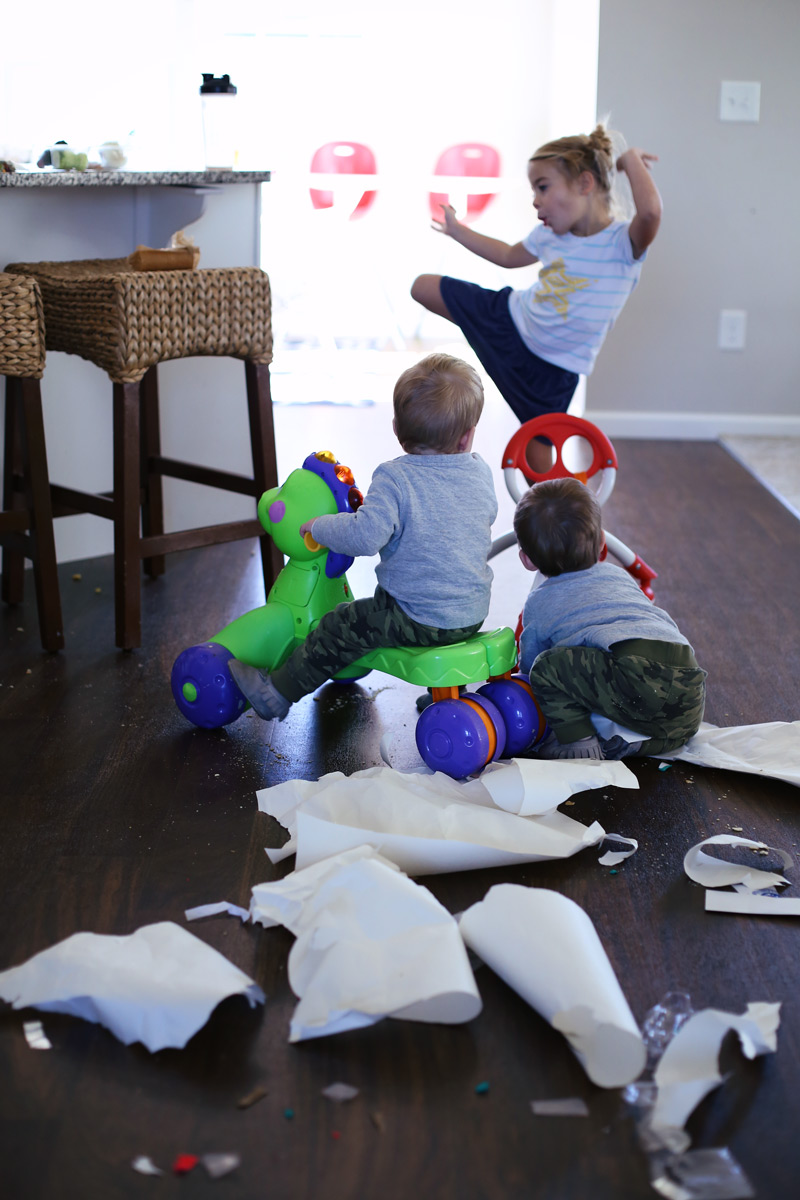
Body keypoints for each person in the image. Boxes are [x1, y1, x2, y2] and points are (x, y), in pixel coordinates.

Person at [229, 353, 498, 720]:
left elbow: (365, 536)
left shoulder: (395, 478)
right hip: (471, 613)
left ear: (396, 429)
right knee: (442, 582)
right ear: (467, 438)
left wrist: (321, 526)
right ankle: (448, 697)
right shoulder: (479, 472)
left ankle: (277, 692)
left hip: (414, 617)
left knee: (339, 624)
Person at [410, 125, 662, 473]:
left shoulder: (623, 244)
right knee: (422, 287)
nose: (535, 200)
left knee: (537, 468)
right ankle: (488, 349)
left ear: (585, 184)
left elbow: (649, 214)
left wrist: (631, 160)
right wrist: (458, 231)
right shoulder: (549, 236)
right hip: (509, 323)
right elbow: (508, 256)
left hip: (554, 372)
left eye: (543, 187)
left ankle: (566, 524)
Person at [513, 477, 706, 760]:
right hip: (689, 682)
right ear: (603, 542)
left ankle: (578, 743)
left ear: (527, 560)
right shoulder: (618, 576)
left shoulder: (541, 601)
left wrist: (523, 684)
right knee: (674, 728)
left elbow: (532, 667)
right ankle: (634, 745)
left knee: (546, 668)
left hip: (635, 674)